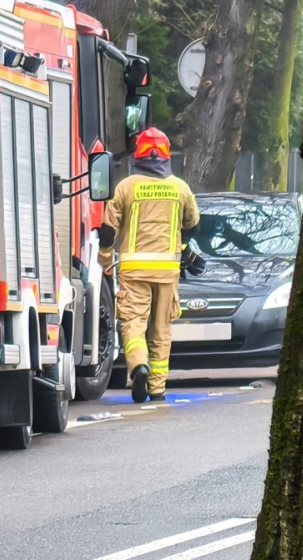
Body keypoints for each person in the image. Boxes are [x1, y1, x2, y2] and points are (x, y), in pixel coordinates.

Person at [97, 127, 200, 403]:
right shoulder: (180, 188)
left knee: (133, 324)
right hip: (167, 273)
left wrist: (105, 260)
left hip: (134, 271)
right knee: (161, 331)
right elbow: (192, 224)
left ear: (138, 154)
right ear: (166, 155)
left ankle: (138, 365)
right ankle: (157, 389)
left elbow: (108, 229)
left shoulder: (126, 186)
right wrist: (182, 248)